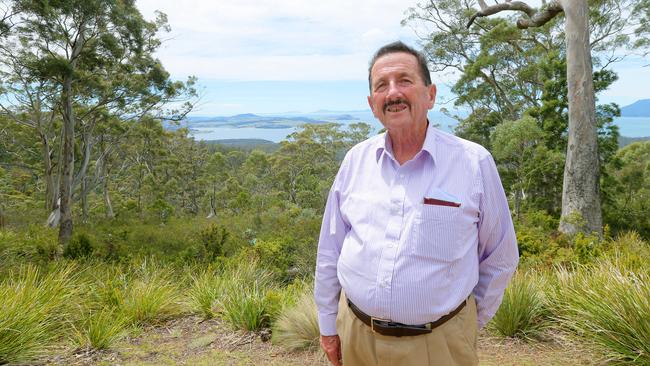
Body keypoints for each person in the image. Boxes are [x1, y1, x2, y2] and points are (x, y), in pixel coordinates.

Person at [314, 41, 519, 366]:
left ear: (431, 95)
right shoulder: (355, 161)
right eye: (381, 85)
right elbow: (330, 250)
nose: (393, 92)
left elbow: (501, 256)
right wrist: (328, 326)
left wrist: (464, 324)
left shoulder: (473, 163)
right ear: (372, 103)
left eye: (404, 80)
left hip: (439, 345)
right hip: (357, 338)